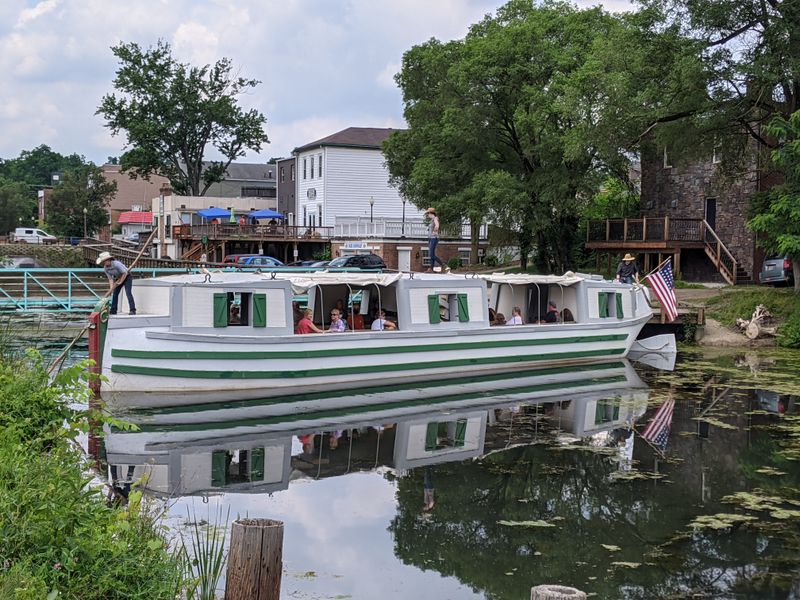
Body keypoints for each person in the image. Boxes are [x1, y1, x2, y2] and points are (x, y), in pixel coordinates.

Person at [97, 251, 136, 315]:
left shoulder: (116, 264)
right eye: (103, 261)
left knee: (128, 293)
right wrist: (111, 289)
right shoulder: (105, 269)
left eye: (105, 261)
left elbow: (125, 273)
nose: (105, 263)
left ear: (109, 260)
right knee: (115, 294)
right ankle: (113, 310)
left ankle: (132, 310)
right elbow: (110, 279)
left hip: (127, 277)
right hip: (118, 279)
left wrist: (121, 281)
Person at [424, 208, 449, 273]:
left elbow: (437, 225)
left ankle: (444, 265)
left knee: (431, 254)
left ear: (431, 213)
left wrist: (435, 231)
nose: (428, 215)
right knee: (431, 254)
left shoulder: (435, 218)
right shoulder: (432, 220)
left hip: (434, 238)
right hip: (430, 238)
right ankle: (431, 269)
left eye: (428, 214)